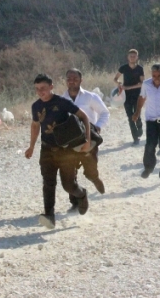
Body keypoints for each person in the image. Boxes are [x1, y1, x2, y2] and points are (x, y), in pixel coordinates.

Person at [26, 73, 92, 230]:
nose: (40, 92)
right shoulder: (36, 106)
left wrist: (88, 140)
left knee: (68, 185)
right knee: (48, 183)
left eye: (43, 88)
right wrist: (31, 146)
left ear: (51, 87)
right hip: (46, 149)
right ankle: (49, 216)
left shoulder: (63, 103)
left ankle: (81, 194)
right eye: (37, 89)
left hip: (66, 151)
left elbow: (84, 117)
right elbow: (35, 125)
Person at [62, 69, 109, 209]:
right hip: (70, 141)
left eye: (75, 78)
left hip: (89, 139)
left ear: (81, 80)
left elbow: (105, 113)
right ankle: (76, 202)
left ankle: (94, 178)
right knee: (70, 172)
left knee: (90, 169)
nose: (72, 80)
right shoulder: (61, 100)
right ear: (66, 81)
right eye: (69, 78)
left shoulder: (90, 97)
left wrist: (98, 127)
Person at [114, 49, 144, 144]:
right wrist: (119, 84)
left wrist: (129, 87)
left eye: (134, 56)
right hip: (125, 95)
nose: (132, 58)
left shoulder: (140, 68)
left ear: (137, 57)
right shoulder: (123, 68)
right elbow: (115, 79)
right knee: (129, 116)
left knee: (137, 114)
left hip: (137, 95)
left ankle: (139, 126)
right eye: (131, 56)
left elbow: (142, 83)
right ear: (128, 57)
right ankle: (135, 138)